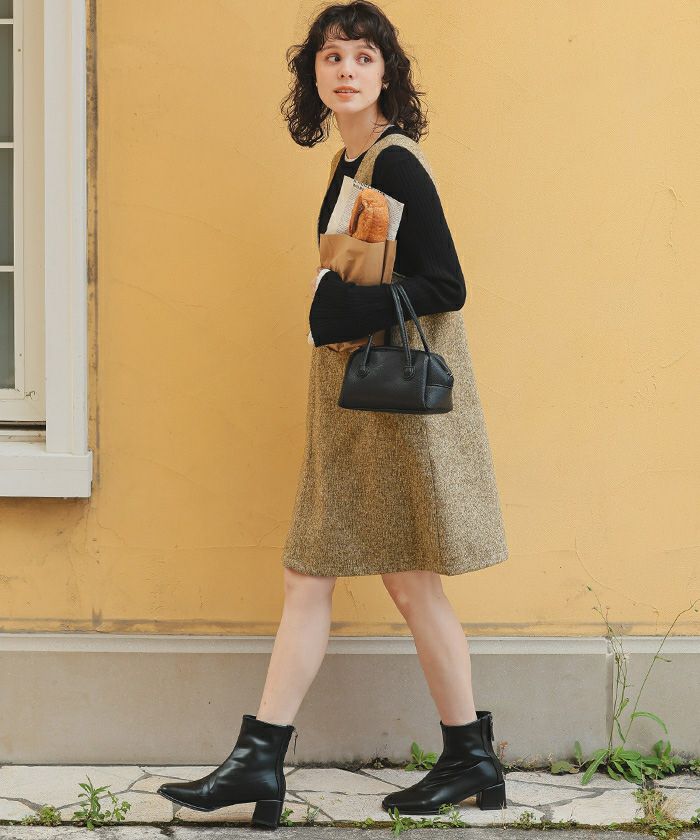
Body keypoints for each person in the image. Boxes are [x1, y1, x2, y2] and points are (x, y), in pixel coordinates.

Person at [157, 1, 509, 829]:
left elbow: (446, 285)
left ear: (387, 73)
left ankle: (267, 760)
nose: (346, 69)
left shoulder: (394, 163)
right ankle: (458, 757)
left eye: (362, 56)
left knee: (349, 576)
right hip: (360, 409)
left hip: (386, 411)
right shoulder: (352, 161)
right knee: (377, 580)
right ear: (312, 74)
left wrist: (335, 313)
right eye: (331, 56)